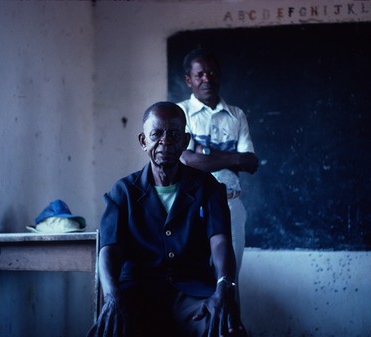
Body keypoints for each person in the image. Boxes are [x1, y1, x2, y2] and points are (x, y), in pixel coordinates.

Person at [87, 102, 247, 337]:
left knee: (228, 330)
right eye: (156, 134)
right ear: (144, 141)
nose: (165, 141)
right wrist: (112, 296)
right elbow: (108, 248)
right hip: (137, 295)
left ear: (185, 141)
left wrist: (224, 287)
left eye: (173, 134)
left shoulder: (208, 187)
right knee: (108, 331)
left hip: (193, 294)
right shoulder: (123, 192)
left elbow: (220, 241)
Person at [177, 48, 259, 276]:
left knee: (229, 279)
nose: (207, 79)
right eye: (200, 74)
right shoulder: (179, 112)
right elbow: (186, 160)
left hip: (231, 205)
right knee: (195, 278)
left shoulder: (237, 115)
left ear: (219, 75)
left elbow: (251, 163)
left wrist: (207, 154)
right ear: (188, 80)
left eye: (212, 73)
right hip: (193, 207)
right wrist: (232, 158)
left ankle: (229, 313)